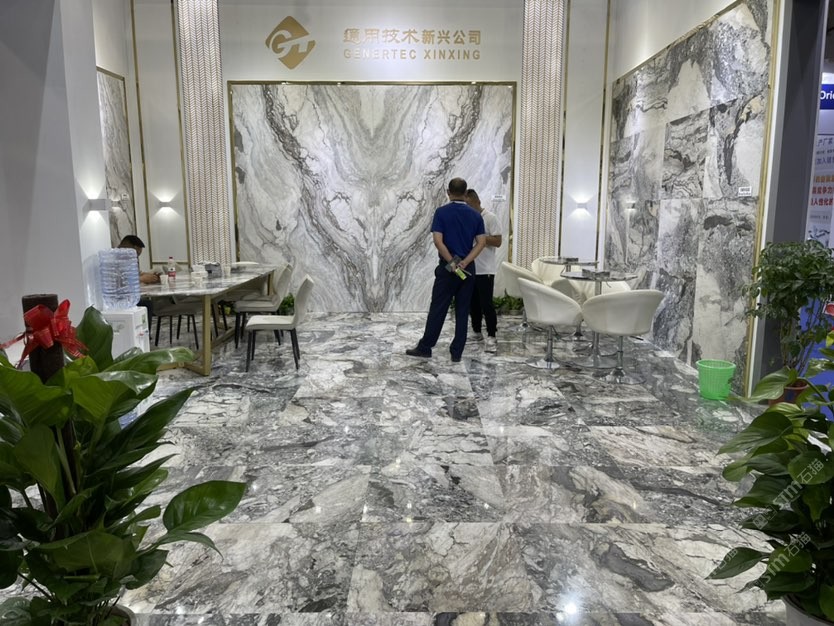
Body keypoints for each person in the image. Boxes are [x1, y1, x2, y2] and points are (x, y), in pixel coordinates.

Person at [406, 177, 486, 363]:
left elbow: (438, 241)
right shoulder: (476, 215)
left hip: (448, 268)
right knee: (462, 310)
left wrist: (452, 262)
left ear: (448, 193)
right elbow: (481, 243)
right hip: (467, 269)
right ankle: (456, 352)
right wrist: (465, 262)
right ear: (465, 194)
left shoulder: (441, 212)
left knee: (438, 308)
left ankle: (426, 347)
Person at [465, 189, 502, 353]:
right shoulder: (467, 219)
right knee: (472, 303)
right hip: (469, 268)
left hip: (485, 269)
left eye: (469, 205)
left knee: (486, 304)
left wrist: (480, 236)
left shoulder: (490, 218)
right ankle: (477, 332)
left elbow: (498, 241)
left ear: (477, 202)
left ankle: (492, 336)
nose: (468, 208)